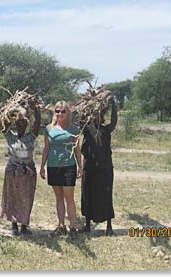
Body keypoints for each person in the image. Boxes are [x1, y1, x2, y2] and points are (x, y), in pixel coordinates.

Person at [40, 101, 82, 239]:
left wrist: (80, 167)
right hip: (53, 166)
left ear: (68, 113)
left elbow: (77, 150)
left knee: (69, 198)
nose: (59, 114)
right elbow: (46, 148)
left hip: (68, 166)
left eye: (63, 111)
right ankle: (61, 225)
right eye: (57, 111)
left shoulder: (74, 129)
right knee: (58, 197)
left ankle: (73, 227)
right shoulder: (49, 129)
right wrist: (42, 167)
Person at [0, 106, 41, 236]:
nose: (21, 125)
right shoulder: (10, 136)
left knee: (26, 198)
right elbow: (2, 120)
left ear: (27, 124)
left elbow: (38, 123)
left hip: (28, 172)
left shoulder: (31, 136)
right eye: (18, 123)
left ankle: (24, 225)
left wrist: (36, 109)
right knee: (12, 197)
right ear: (14, 124)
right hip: (13, 171)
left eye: (23, 123)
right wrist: (9, 110)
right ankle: (14, 225)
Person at [80, 97, 117, 236]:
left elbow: (114, 121)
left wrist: (113, 105)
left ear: (103, 118)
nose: (97, 117)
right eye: (95, 114)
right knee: (88, 194)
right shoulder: (87, 130)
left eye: (100, 115)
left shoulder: (106, 130)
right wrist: (86, 108)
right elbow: (80, 120)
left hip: (105, 168)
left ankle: (109, 226)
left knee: (106, 195)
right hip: (89, 168)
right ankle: (88, 224)